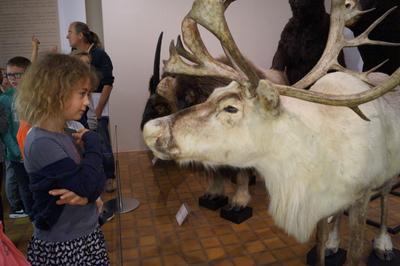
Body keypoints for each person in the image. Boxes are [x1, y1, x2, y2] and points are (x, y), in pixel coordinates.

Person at [16, 53, 109, 265]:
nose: (87, 101)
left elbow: (96, 179)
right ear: (54, 93)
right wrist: (94, 142)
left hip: (84, 235)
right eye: (82, 94)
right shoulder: (42, 141)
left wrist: (88, 195)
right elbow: (89, 183)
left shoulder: (66, 132)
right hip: (64, 244)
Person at [67, 21, 116, 192]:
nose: (68, 36)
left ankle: (109, 177)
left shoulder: (100, 54)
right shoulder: (73, 55)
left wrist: (97, 111)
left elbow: (108, 84)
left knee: (102, 145)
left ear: (80, 35)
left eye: (70, 32)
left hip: (96, 113)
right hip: (80, 118)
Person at [0, 56, 32, 218]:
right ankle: (32, 218)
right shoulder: (4, 99)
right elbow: (4, 132)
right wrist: (17, 151)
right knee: (24, 188)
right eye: (8, 75)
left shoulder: (35, 96)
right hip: (16, 154)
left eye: (17, 74)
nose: (12, 79)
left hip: (34, 151)